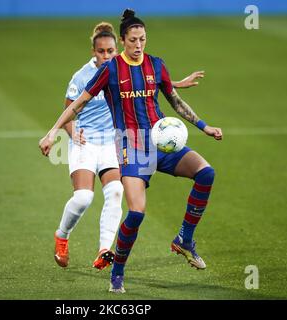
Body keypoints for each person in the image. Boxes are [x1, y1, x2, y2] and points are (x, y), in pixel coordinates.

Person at [44, 14, 216, 285]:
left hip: (160, 142)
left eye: (143, 39)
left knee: (206, 173)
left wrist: (204, 126)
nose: (138, 45)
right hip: (131, 148)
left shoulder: (156, 65)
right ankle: (117, 273)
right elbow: (78, 104)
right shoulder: (110, 70)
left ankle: (185, 238)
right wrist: (54, 131)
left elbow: (175, 100)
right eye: (133, 40)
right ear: (123, 40)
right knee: (136, 212)